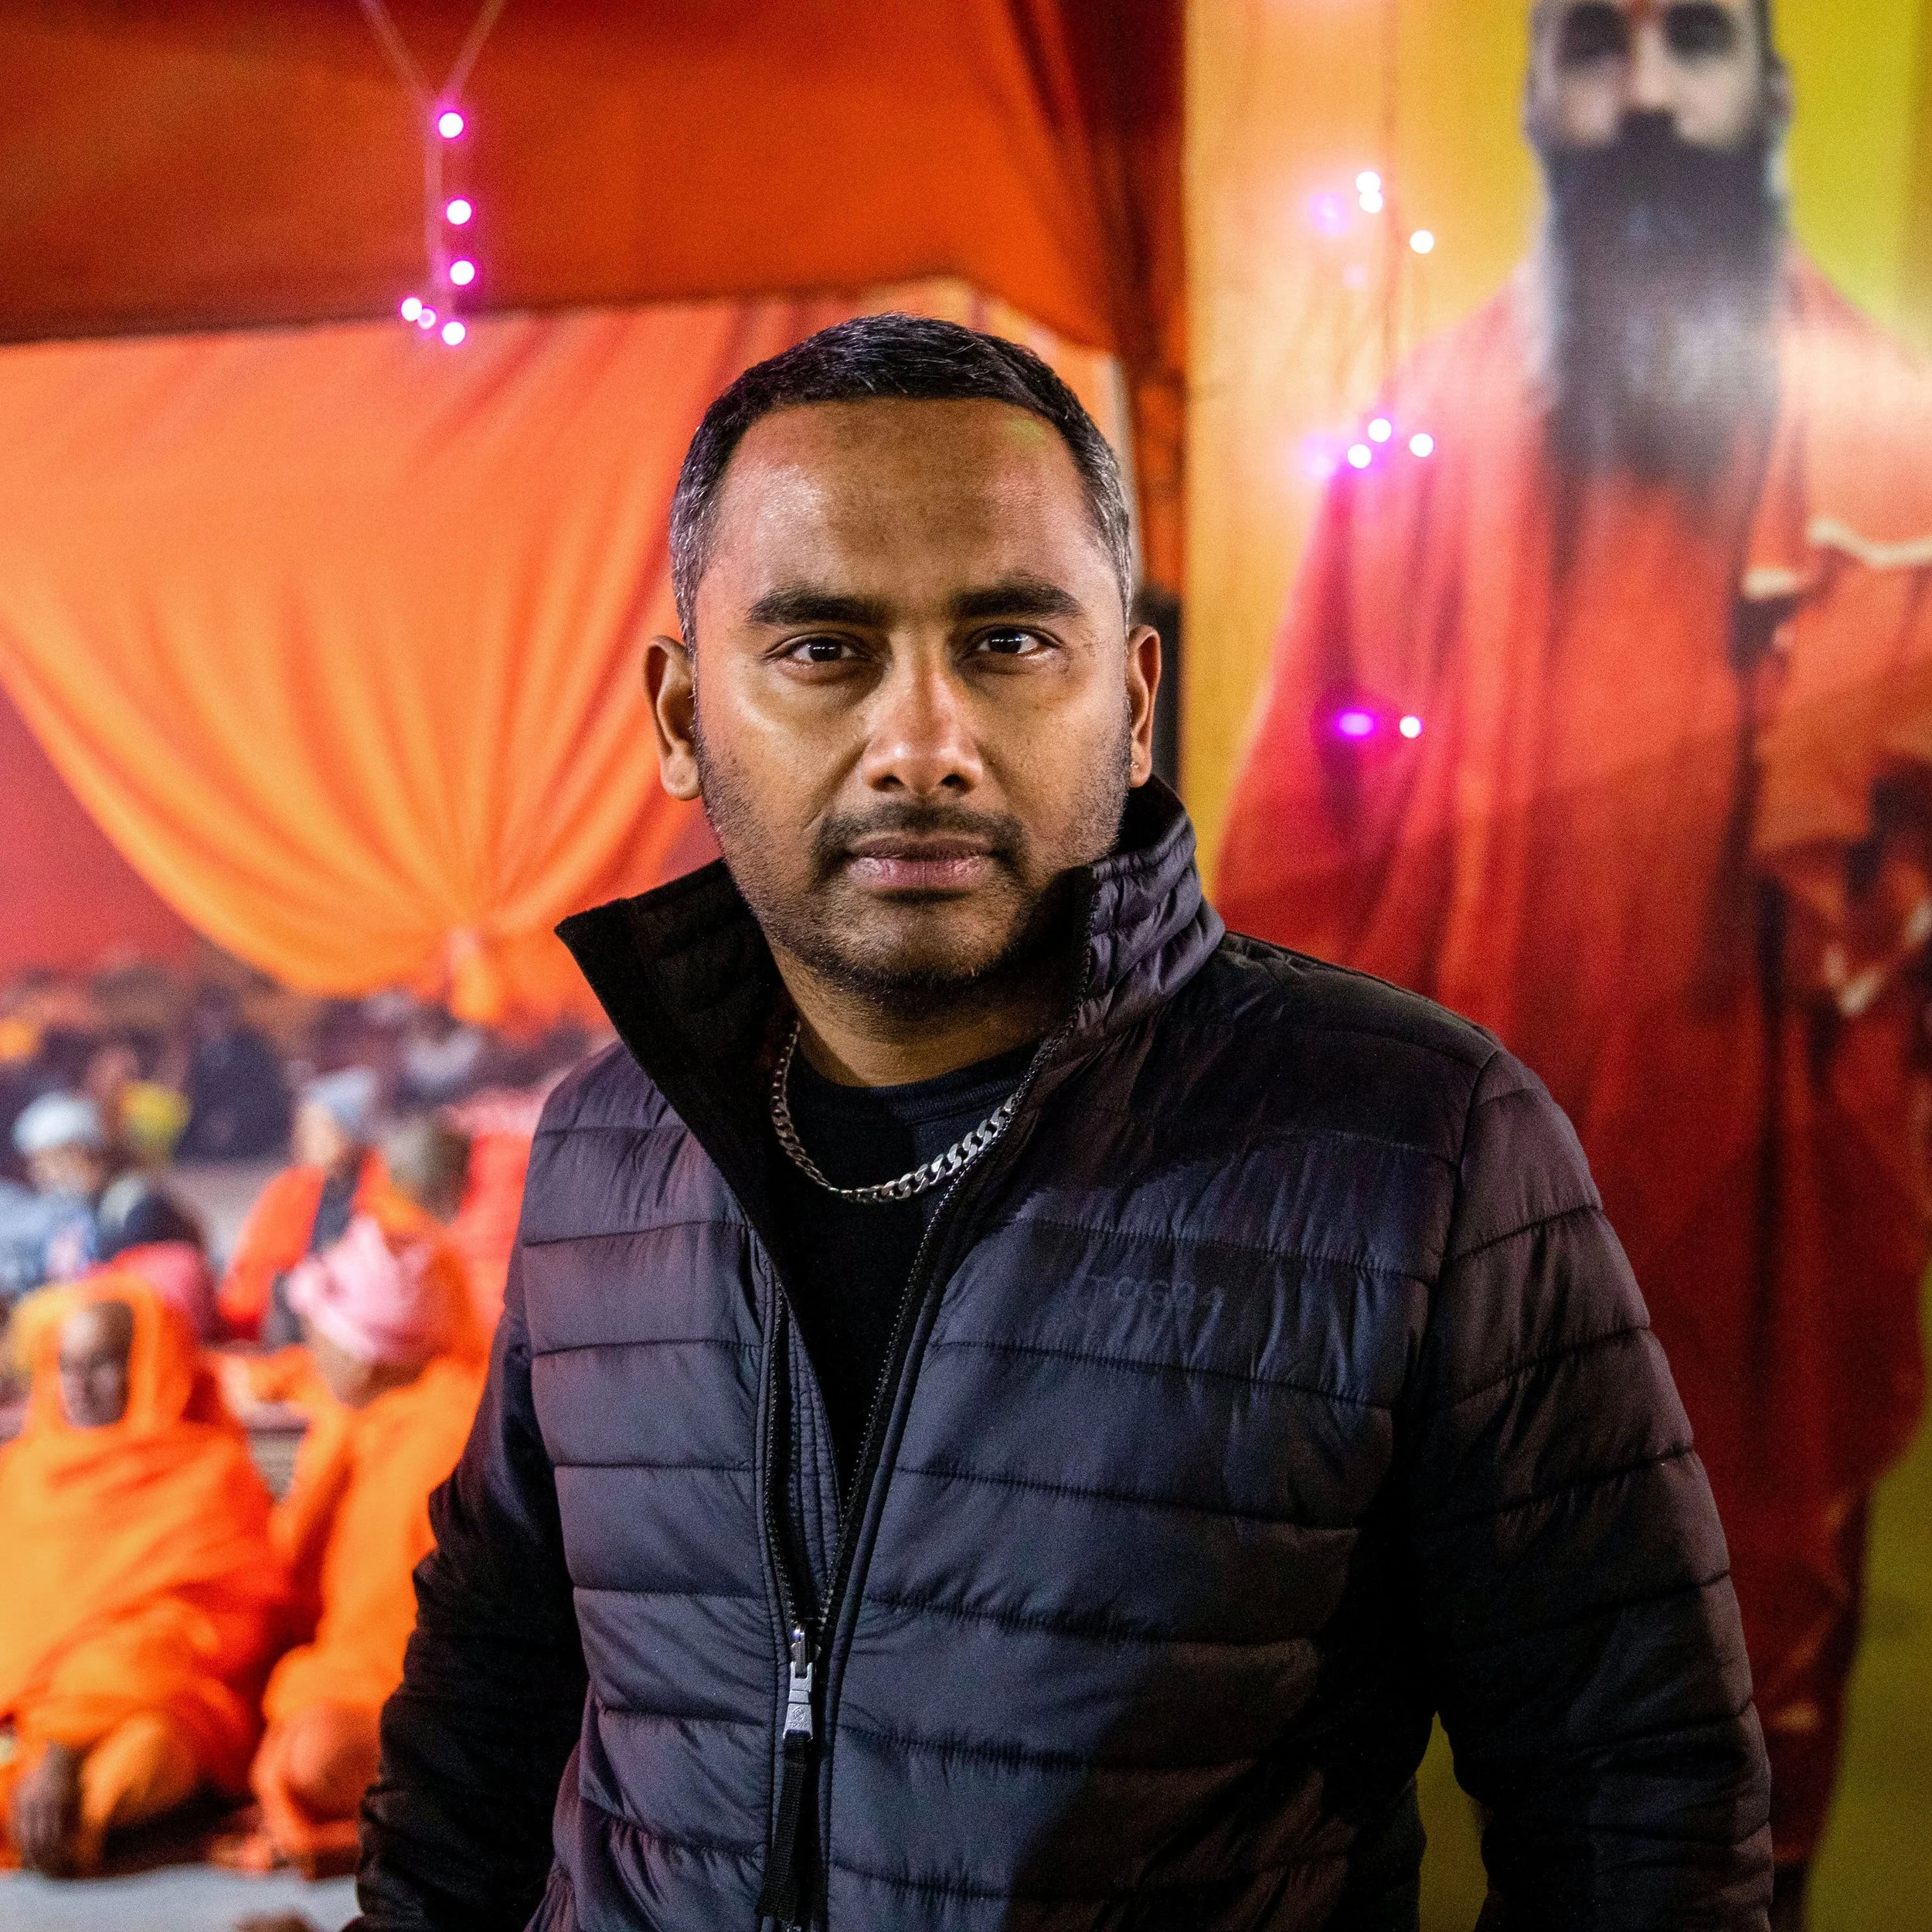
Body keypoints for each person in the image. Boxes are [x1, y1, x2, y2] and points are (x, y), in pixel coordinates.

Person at [356, 315, 1772, 1931]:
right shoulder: (608, 1150)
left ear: (1133, 696)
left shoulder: (1420, 1146)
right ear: (682, 717)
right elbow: (485, 1702)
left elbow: (1634, 1793)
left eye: (1010, 641)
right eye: (822, 649)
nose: (922, 747)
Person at [1217, 5, 1930, 1919]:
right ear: (1537, 99)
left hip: (1758, 1217)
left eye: (1689, 41)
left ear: (1766, 94)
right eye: (1591, 47)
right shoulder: (1415, 440)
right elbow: (1294, 861)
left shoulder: (1895, 457)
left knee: (1721, 1733)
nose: (1641, 93)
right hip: (1453, 1231)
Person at [220, 1209, 480, 1878]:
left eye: (323, 1335)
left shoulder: (439, 1436)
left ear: (366, 1354)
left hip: (425, 1697)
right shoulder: (371, 1413)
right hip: (348, 1676)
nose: (311, 1347)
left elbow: (418, 1639)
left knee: (316, 1756)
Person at [0, 1277, 283, 1873]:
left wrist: (65, 1745)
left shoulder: (210, 1474)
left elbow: (190, 1637)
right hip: (25, 1716)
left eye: (102, 1363)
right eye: (67, 1365)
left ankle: (55, 1819)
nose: (79, 1385)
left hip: (152, 1706)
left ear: (154, 1363)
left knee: (141, 1765)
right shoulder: (22, 1474)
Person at [219, 1068, 384, 1340]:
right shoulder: (287, 1190)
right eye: (305, 1129)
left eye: (320, 1130)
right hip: (288, 1323)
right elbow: (253, 1267)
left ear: (351, 1133)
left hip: (358, 1325)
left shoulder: (385, 1189)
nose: (308, 1140)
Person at [2, 1091, 202, 1298]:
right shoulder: (87, 1208)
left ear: (77, 1153)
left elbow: (129, 1288)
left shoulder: (139, 1207)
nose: (40, 1175)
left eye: (45, 1163)